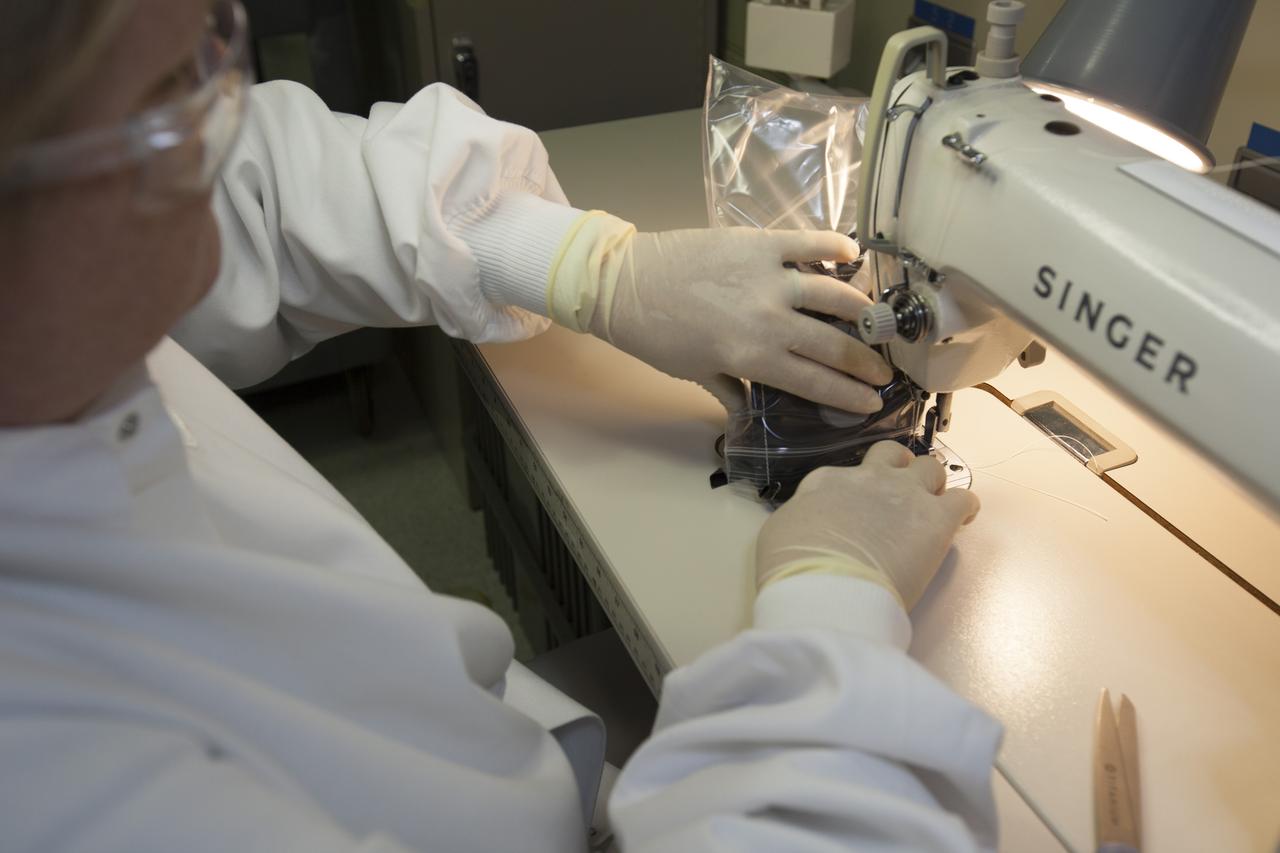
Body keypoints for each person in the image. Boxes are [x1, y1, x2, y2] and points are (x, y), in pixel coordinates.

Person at [0, 1, 1001, 850]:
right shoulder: (57, 781)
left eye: (217, 49)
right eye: (179, 99)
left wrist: (593, 268)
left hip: (485, 747)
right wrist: (832, 613)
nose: (225, 125)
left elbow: (269, 185)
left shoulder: (61, 300)